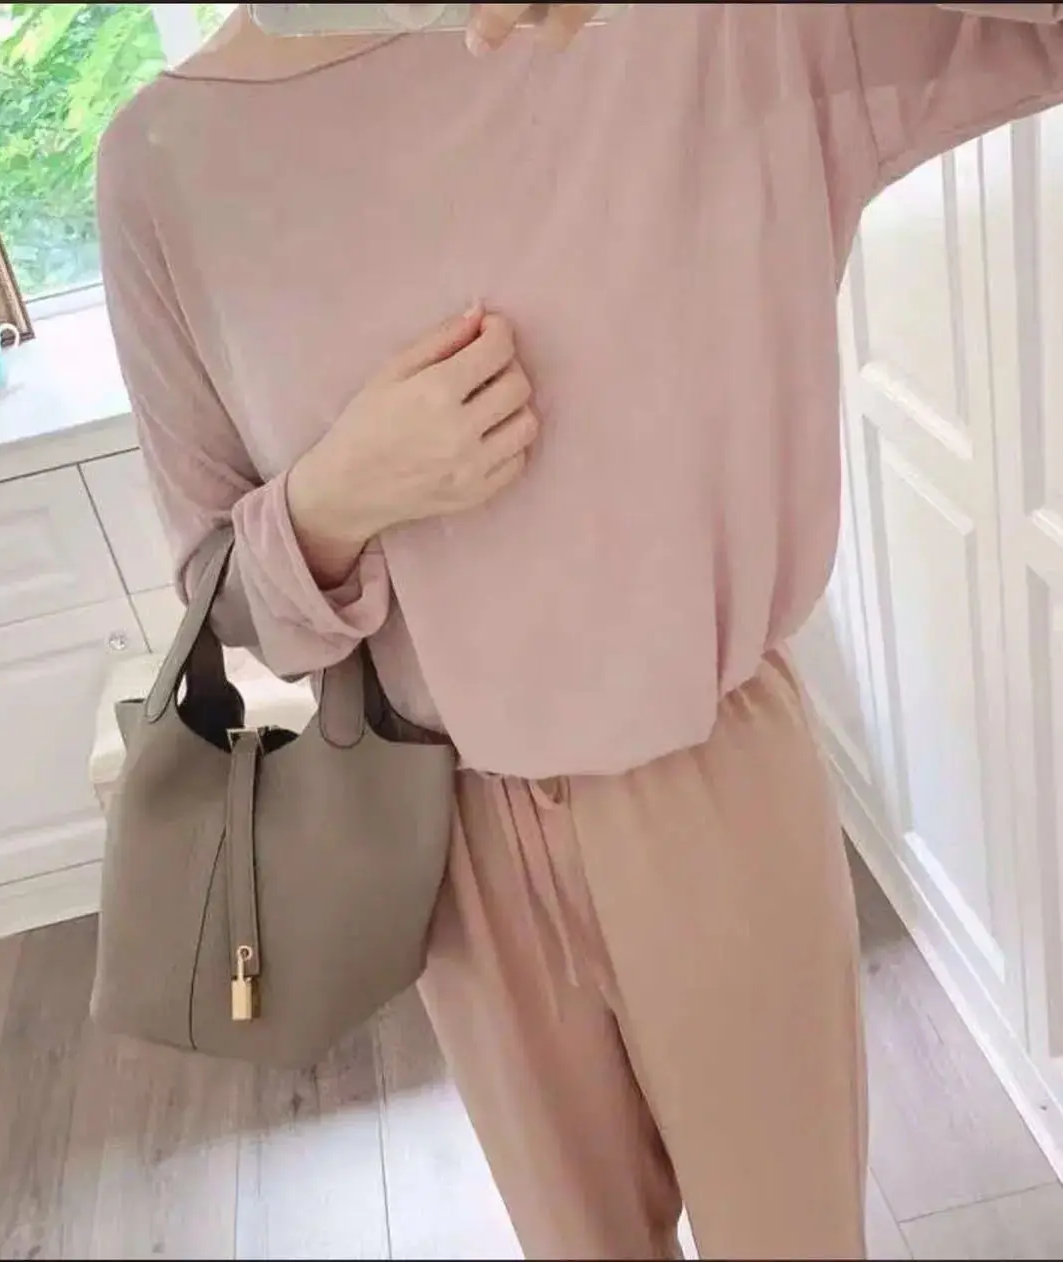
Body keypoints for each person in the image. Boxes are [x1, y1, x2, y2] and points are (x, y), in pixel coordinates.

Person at [96, 4, 1063, 1257]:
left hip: (710, 786)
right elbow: (219, 611)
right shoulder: (163, 164)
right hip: (443, 837)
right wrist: (334, 500)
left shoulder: (700, 28)